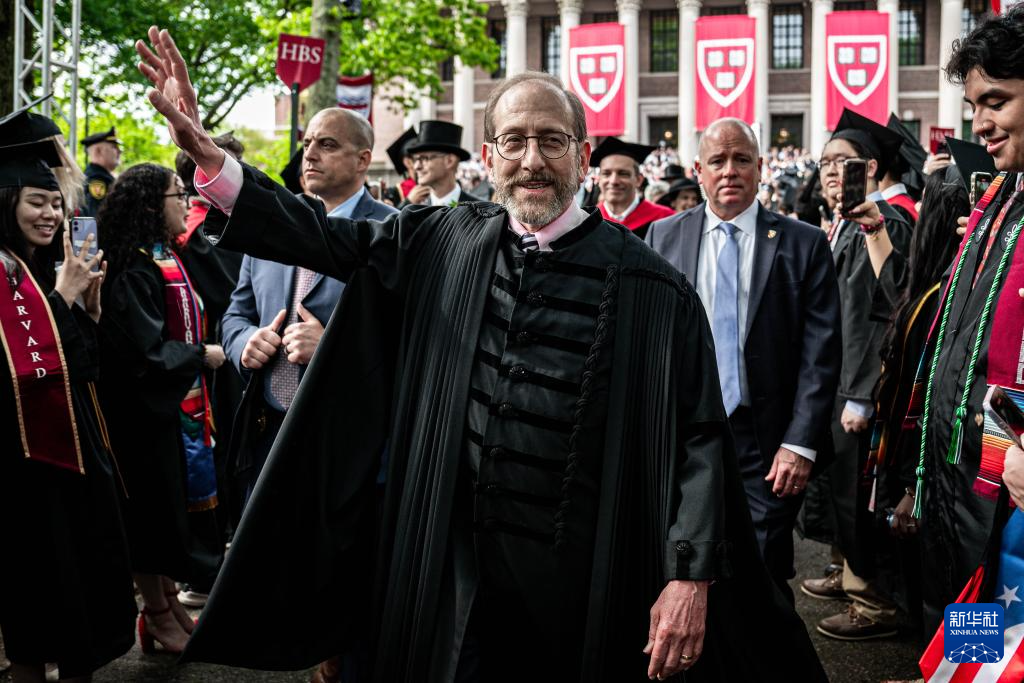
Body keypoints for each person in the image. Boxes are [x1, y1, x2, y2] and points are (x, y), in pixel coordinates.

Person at [137, 27, 826, 683]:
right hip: (450, 569)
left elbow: (700, 439)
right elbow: (318, 234)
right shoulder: (443, 242)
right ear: (490, 157)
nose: (533, 160)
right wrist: (210, 159)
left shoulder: (654, 289)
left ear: (582, 156)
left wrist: (688, 576)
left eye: (552, 141)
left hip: (581, 582)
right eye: (515, 141)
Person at [645, 118, 842, 603]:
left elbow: (820, 351)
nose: (729, 170)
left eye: (741, 160)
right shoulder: (662, 237)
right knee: (688, 560)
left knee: (763, 569)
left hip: (767, 441)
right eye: (717, 161)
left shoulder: (803, 242)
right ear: (698, 171)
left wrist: (800, 443)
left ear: (760, 167)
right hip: (688, 432)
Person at [0, 116, 136, 681]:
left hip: (70, 456)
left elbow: (76, 368)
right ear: (5, 202)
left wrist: (87, 311)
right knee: (37, 589)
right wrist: (60, 300)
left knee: (80, 582)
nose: (51, 215)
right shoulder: (3, 272)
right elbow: (23, 374)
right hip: (28, 467)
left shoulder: (33, 267)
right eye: (36, 202)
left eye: (56, 204)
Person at [904, 6, 1024, 632]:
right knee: (965, 628)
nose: (980, 124)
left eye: (997, 102)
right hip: (960, 469)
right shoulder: (1000, 198)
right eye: (975, 105)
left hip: (1009, 484)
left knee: (1008, 633)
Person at [222, 107, 397, 506]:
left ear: (363, 160)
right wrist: (245, 342)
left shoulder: (394, 232)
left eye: (327, 145)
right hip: (268, 434)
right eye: (307, 144)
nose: (310, 154)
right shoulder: (270, 227)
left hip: (348, 445)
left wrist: (334, 348)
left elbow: (414, 338)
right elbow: (235, 314)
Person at [96, 163, 228, 655]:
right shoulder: (133, 268)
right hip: (140, 417)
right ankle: (154, 613)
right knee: (149, 515)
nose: (186, 202)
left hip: (165, 413)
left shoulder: (162, 256)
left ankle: (168, 603)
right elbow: (143, 353)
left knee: (163, 511)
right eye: (178, 194)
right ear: (153, 206)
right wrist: (200, 355)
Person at [801, 108, 912, 641]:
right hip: (839, 377)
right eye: (824, 162)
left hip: (859, 386)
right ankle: (848, 574)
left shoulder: (889, 222)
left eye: (841, 162)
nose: (829, 171)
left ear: (869, 168)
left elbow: (884, 313)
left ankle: (873, 600)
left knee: (860, 495)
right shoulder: (850, 219)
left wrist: (863, 394)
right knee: (840, 492)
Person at [866, 167, 967, 632]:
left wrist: (912, 488)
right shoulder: (939, 290)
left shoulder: (949, 301)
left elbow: (930, 399)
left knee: (951, 593)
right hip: (934, 474)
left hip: (936, 477)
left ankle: (957, 662)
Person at [172, 132, 248, 609]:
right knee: (221, 452)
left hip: (226, 352)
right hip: (216, 358)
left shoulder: (218, 223)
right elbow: (229, 295)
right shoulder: (203, 230)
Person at [592, 136, 674, 240]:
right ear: (598, 179)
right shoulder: (589, 222)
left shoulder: (665, 218)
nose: (613, 181)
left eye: (623, 174)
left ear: (639, 180)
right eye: (606, 174)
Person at [402, 120, 475, 206]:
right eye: (415, 159)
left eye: (424, 158)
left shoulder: (479, 210)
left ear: (449, 161)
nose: (416, 167)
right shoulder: (416, 210)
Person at [79, 127, 120, 217]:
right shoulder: (97, 180)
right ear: (99, 151)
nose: (119, 151)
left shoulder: (99, 177)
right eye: (114, 147)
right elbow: (96, 217)